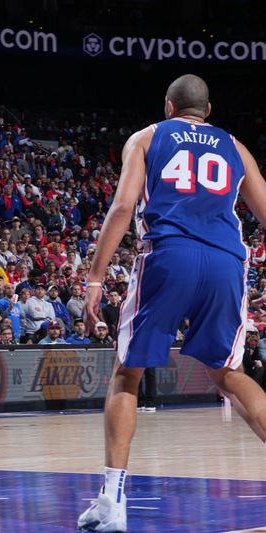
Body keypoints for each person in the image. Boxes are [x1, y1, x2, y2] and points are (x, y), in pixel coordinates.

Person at [79, 74, 266, 532]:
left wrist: (96, 278)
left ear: (168, 106)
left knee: (128, 372)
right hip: (226, 262)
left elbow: (123, 207)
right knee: (229, 374)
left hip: (168, 256)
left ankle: (113, 503)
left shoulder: (146, 138)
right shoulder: (235, 146)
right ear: (209, 110)